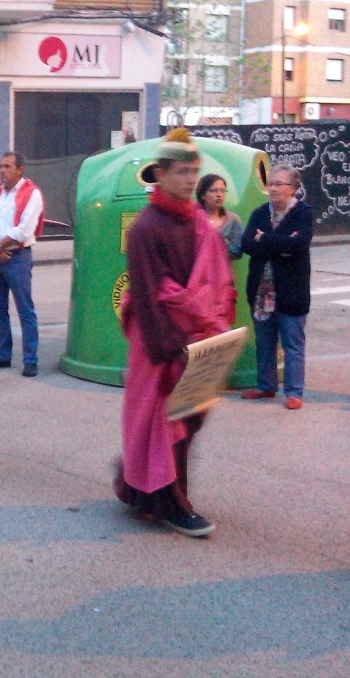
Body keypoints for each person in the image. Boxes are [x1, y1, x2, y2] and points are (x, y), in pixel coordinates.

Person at [114, 130, 235, 538]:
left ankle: (140, 486)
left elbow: (214, 281)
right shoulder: (146, 228)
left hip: (197, 340)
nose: (189, 180)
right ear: (160, 174)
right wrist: (173, 352)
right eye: (182, 171)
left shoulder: (197, 219)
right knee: (165, 427)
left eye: (194, 171)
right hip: (161, 347)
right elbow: (148, 298)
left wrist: (212, 334)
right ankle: (171, 502)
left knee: (186, 423)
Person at [240, 165, 313, 410]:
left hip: (291, 291)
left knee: (292, 343)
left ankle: (293, 391)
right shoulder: (260, 213)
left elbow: (299, 245)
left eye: (278, 184)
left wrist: (266, 239)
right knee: (265, 341)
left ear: (293, 189)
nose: (272, 188)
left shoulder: (302, 213)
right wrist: (281, 244)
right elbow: (247, 244)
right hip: (262, 290)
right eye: (270, 183)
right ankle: (266, 386)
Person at [0, 151, 45, 378]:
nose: (2, 171)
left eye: (7, 166)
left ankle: (30, 359)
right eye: (1, 166)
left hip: (17, 257)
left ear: (19, 169)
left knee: (25, 309)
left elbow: (24, 230)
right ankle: (3, 354)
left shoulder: (31, 194)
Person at [195, 173, 243, 259]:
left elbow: (238, 250)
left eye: (222, 190)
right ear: (202, 195)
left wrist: (217, 252)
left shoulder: (233, 219)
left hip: (221, 270)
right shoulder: (194, 218)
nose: (219, 195)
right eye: (213, 190)